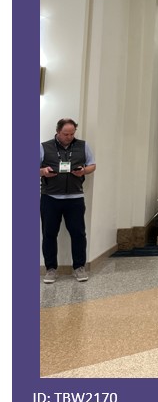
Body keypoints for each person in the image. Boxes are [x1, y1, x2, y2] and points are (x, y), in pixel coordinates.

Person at [40, 118, 97, 283]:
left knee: (78, 234)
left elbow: (92, 165)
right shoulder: (44, 146)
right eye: (66, 134)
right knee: (49, 234)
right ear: (58, 132)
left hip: (75, 198)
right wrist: (43, 171)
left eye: (72, 133)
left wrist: (84, 171)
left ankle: (79, 267)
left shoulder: (83, 145)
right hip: (50, 198)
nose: (69, 137)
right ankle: (51, 269)